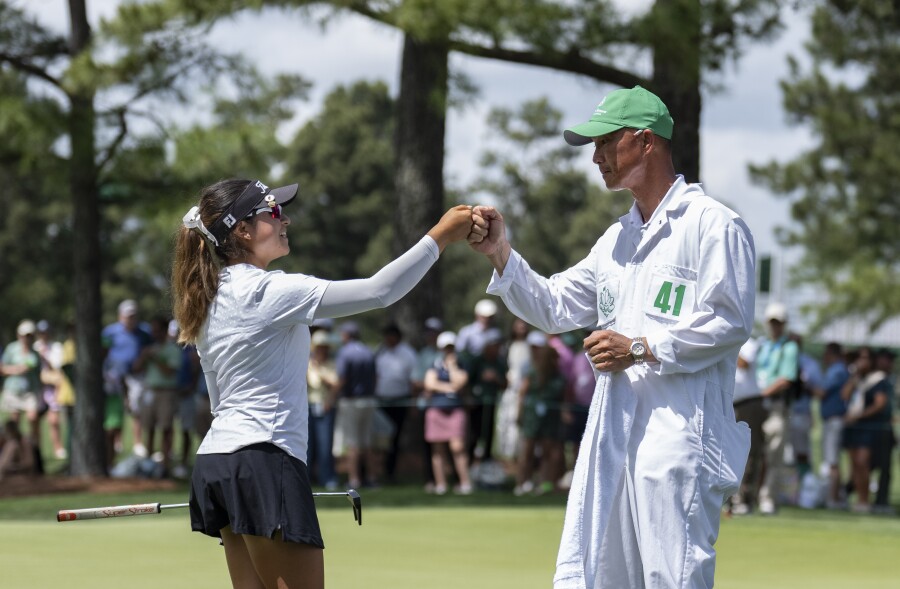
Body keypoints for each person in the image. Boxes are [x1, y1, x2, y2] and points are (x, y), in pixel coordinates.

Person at [468, 85, 755, 588]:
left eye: (605, 142)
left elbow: (730, 321)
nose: (596, 157)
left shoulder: (713, 225)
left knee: (674, 578)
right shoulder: (618, 238)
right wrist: (500, 252)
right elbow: (555, 305)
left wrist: (640, 347)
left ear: (645, 141)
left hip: (679, 440)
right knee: (601, 578)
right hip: (613, 438)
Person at [172, 177, 473, 589]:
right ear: (242, 229)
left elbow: (219, 400)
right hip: (263, 458)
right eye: (273, 212)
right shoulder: (271, 290)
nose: (286, 220)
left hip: (217, 462)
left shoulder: (206, 299)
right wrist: (439, 237)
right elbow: (379, 291)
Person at [755, 301, 800, 514]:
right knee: (753, 452)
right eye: (772, 322)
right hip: (755, 404)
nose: (775, 326)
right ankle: (747, 495)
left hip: (775, 405)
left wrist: (762, 391)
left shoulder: (789, 347)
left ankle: (768, 497)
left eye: (778, 323)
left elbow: (786, 378)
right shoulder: (761, 344)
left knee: (773, 453)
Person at [841, 347, 893, 513]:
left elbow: (880, 403)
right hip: (854, 427)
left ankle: (865, 500)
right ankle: (858, 500)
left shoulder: (878, 380)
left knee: (864, 463)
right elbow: (845, 395)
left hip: (870, 428)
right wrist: (854, 376)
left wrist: (859, 416)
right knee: (854, 464)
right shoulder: (857, 379)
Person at [101, 299, 153, 465]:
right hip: (114, 378)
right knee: (115, 414)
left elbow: (149, 349)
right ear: (120, 316)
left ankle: (137, 443)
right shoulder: (110, 332)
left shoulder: (144, 332)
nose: (131, 319)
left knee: (135, 409)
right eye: (128, 316)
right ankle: (117, 443)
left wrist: (142, 360)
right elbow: (103, 352)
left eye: (133, 316)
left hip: (135, 376)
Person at [514, 331, 565, 496]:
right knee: (527, 450)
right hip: (531, 416)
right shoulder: (531, 371)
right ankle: (522, 483)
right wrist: (519, 413)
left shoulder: (558, 375)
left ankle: (543, 484)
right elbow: (522, 393)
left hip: (550, 417)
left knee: (547, 451)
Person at [423, 331, 472, 495]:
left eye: (451, 347)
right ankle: (441, 484)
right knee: (438, 449)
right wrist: (449, 387)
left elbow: (460, 383)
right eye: (446, 348)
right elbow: (429, 384)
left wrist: (451, 367)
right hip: (436, 409)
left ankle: (465, 483)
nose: (449, 351)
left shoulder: (461, 363)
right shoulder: (434, 364)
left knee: (457, 446)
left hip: (455, 409)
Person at [133, 316, 183, 476]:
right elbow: (136, 368)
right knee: (149, 427)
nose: (154, 334)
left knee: (166, 428)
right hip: (150, 391)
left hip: (166, 392)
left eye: (157, 330)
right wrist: (143, 356)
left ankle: (165, 465)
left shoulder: (172, 350)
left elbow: (169, 372)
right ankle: (148, 464)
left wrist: (154, 358)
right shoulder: (149, 348)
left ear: (164, 330)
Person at [334, 321, 379, 489]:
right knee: (366, 442)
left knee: (352, 443)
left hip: (351, 401)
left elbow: (342, 379)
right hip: (368, 400)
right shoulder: (368, 351)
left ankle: (354, 479)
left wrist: (331, 397)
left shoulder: (345, 353)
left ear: (347, 335)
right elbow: (376, 377)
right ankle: (372, 478)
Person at [373, 323, 417, 483]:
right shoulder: (380, 351)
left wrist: (412, 403)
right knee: (379, 439)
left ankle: (391, 473)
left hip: (399, 401)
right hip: (381, 401)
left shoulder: (408, 353)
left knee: (395, 439)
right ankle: (377, 473)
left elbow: (413, 380)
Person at [730, 338, 765, 515]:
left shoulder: (748, 343)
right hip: (730, 403)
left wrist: (724, 345)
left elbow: (743, 363)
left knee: (749, 452)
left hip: (749, 404)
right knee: (728, 451)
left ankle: (745, 499)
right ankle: (730, 499)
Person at [0, 320, 43, 469]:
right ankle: (15, 455)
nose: (27, 338)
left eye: (30, 335)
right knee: (14, 424)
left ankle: (35, 453)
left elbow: (27, 368)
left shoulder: (35, 353)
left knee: (33, 419)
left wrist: (14, 369)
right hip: (13, 390)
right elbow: (3, 368)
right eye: (25, 335)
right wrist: (15, 369)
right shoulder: (11, 349)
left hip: (29, 392)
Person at [815, 342, 851, 509]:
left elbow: (822, 392)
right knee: (832, 460)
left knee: (832, 461)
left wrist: (806, 384)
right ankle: (836, 497)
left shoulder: (837, 370)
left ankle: (833, 499)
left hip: (835, 419)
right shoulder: (840, 369)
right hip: (832, 419)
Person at [465, 327, 507, 463]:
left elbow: (505, 384)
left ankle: (486, 464)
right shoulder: (477, 361)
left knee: (488, 435)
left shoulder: (500, 363)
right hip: (476, 403)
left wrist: (496, 378)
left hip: (492, 402)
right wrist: (469, 397)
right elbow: (468, 381)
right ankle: (470, 463)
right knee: (473, 434)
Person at [306, 329, 339, 490]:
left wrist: (318, 369)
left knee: (325, 445)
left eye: (324, 346)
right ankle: (306, 477)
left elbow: (334, 383)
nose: (322, 349)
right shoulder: (306, 362)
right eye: (319, 346)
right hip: (307, 406)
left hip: (325, 408)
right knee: (307, 444)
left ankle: (327, 478)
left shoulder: (331, 364)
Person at [33, 320, 67, 460]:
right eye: (41, 332)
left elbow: (57, 367)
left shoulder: (57, 347)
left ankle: (58, 448)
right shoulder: (35, 347)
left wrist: (44, 358)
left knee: (54, 420)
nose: (44, 335)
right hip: (38, 388)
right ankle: (37, 449)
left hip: (53, 388)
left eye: (46, 332)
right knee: (34, 420)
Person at [455, 298, 499, 363]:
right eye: (484, 316)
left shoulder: (496, 334)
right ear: (477, 315)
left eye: (490, 317)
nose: (487, 319)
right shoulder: (466, 332)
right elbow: (459, 352)